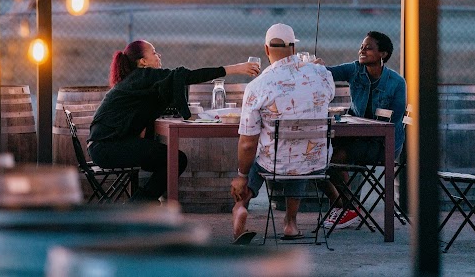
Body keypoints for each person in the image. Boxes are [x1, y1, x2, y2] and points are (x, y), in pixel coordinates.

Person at [88, 39, 259, 203]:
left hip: (104, 146)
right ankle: (139, 204)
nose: (158, 55)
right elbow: (187, 76)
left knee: (169, 158)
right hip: (108, 148)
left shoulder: (137, 79)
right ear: (143, 62)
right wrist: (236, 68)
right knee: (175, 159)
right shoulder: (143, 75)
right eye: (154, 52)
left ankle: (143, 202)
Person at [230, 23, 335, 244]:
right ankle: (290, 223)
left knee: (262, 155)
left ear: (266, 49)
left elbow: (247, 142)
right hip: (316, 162)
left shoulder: (258, 86)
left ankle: (240, 207)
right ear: (294, 48)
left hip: (274, 165)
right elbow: (328, 95)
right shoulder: (322, 74)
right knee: (300, 155)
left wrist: (241, 175)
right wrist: (316, 68)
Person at [316, 30, 406, 229]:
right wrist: (317, 68)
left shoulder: (397, 83)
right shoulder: (355, 70)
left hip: (384, 144)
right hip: (356, 136)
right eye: (361, 47)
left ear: (383, 54)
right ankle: (343, 207)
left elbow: (393, 122)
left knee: (336, 156)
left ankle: (347, 208)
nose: (362, 51)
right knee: (317, 152)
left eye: (368, 48)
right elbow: (327, 73)